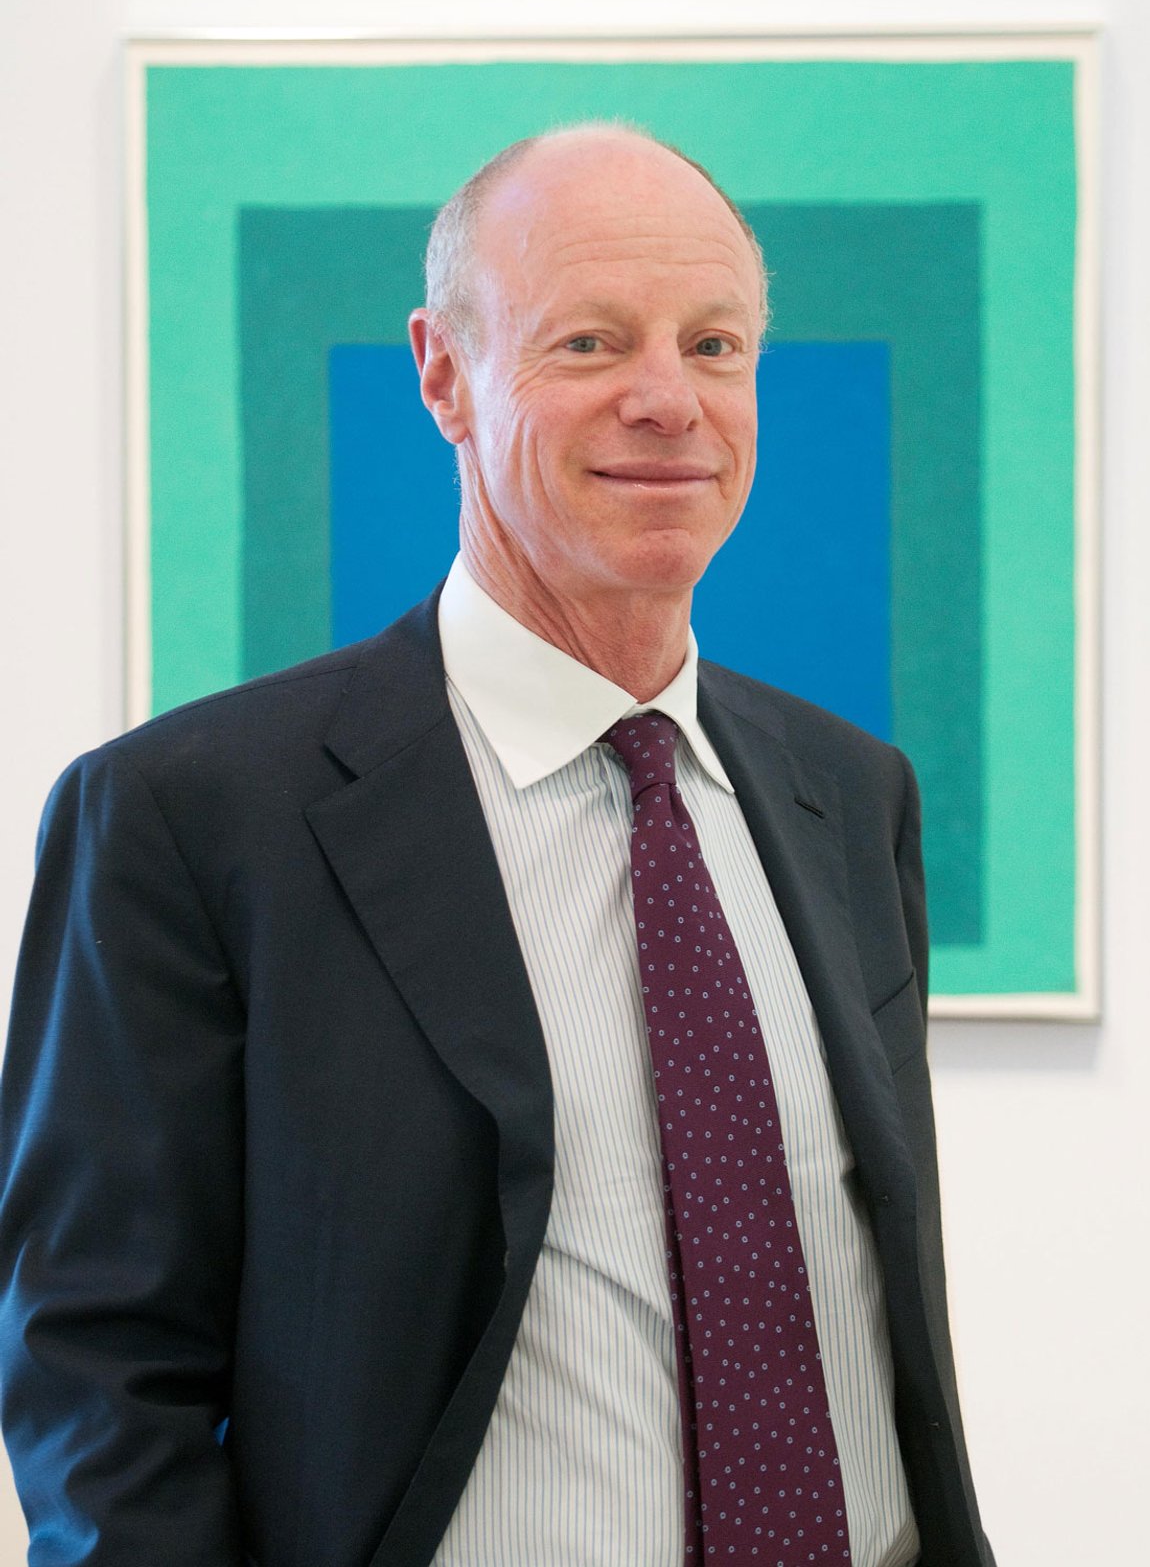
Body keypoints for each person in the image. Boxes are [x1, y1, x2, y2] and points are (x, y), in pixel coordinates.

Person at [0, 125, 994, 1567]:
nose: (671, 401)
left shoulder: (852, 796)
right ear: (445, 375)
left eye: (715, 345)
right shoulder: (190, 817)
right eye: (592, 342)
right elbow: (100, 1379)